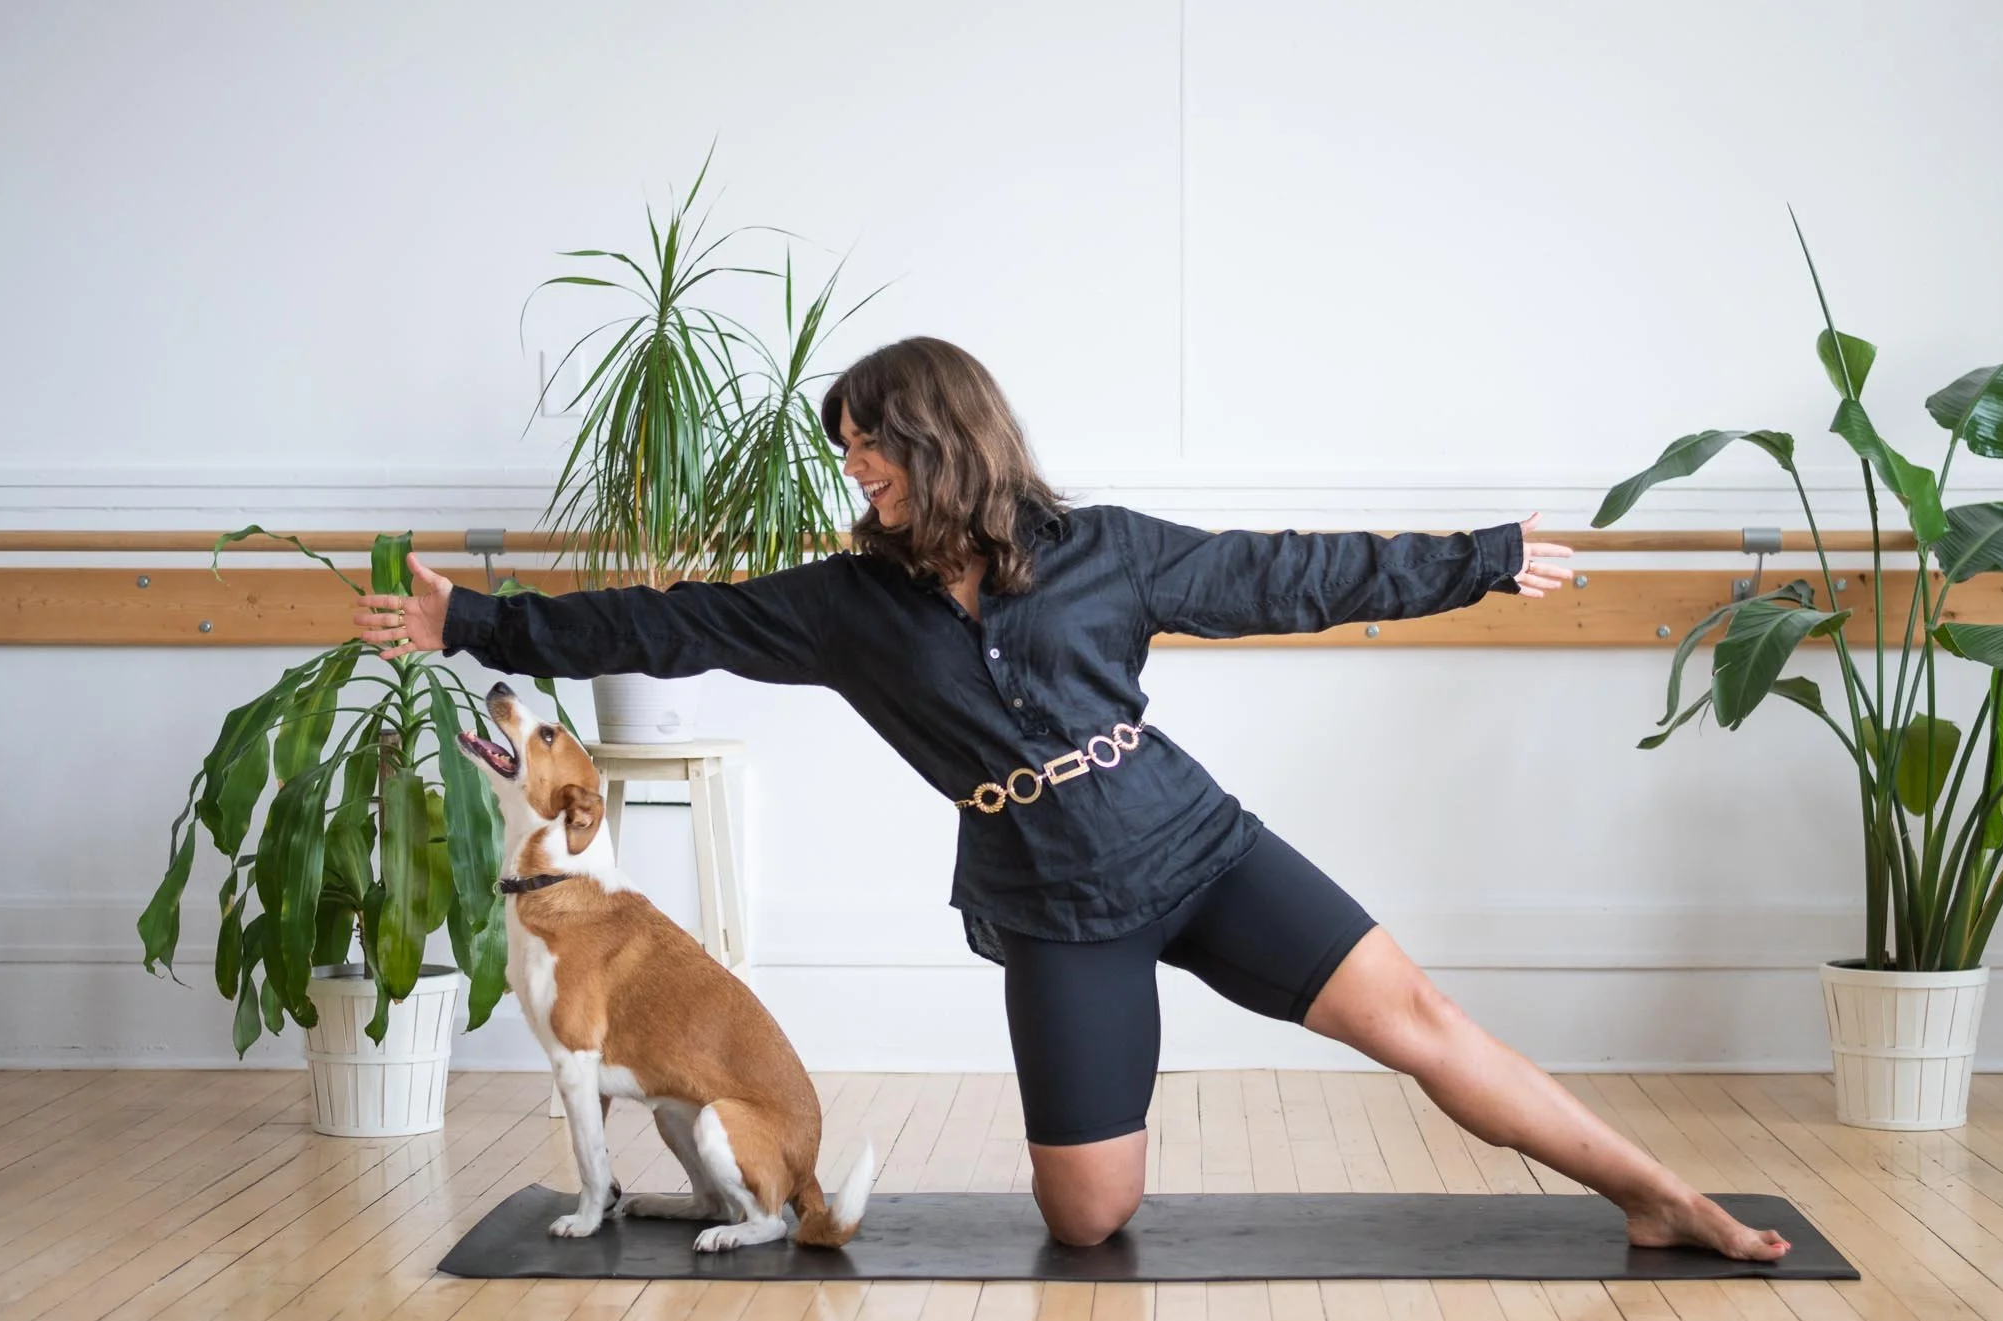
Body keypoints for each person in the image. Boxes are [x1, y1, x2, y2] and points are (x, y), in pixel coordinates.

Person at [358, 336, 1788, 1261]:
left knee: (1421, 1020)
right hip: (1052, 903)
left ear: (944, 436)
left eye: (869, 445)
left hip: (1193, 843)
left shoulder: (1107, 550)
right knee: (1089, 1217)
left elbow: (1290, 574)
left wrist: (1478, 557)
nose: (853, 471)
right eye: (844, 449)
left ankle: (1654, 1193)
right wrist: (470, 620)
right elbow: (667, 623)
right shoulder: (845, 605)